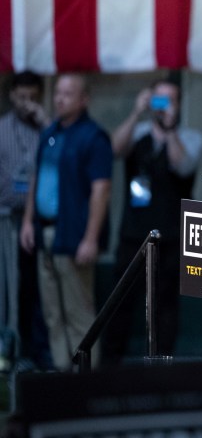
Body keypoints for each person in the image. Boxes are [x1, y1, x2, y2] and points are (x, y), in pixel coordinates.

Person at [103, 77, 202, 365]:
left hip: (171, 236)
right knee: (120, 303)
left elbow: (183, 166)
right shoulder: (138, 133)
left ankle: (161, 367)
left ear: (180, 104)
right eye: (158, 100)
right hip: (133, 234)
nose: (163, 107)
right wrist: (136, 112)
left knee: (165, 306)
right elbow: (113, 150)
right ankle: (109, 365)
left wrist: (171, 129)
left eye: (169, 100)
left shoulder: (190, 137)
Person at [20, 73, 112, 371]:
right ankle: (62, 375)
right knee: (52, 314)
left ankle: (84, 382)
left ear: (84, 99)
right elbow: (37, 178)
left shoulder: (94, 137)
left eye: (68, 93)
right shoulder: (51, 133)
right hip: (44, 231)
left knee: (79, 313)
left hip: (73, 236)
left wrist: (90, 238)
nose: (60, 98)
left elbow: (101, 190)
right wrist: (27, 221)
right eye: (57, 93)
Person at [0, 70, 53, 371]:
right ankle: (10, 351)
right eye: (21, 97)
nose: (26, 104)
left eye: (32, 98)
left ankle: (38, 352)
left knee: (39, 290)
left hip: (41, 222)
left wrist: (45, 121)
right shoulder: (2, 129)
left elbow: (63, 155)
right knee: (10, 289)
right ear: (11, 96)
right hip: (7, 222)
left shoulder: (48, 130)